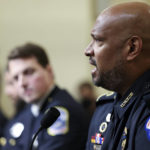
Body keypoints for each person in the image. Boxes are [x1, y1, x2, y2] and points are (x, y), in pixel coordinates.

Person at [85, 2, 150, 150]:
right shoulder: (105, 109)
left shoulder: (145, 110)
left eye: (98, 40)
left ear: (132, 48)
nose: (88, 50)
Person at [2, 43, 88, 150]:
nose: (21, 83)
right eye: (16, 78)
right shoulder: (28, 111)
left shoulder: (60, 112)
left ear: (49, 71)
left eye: (28, 72)